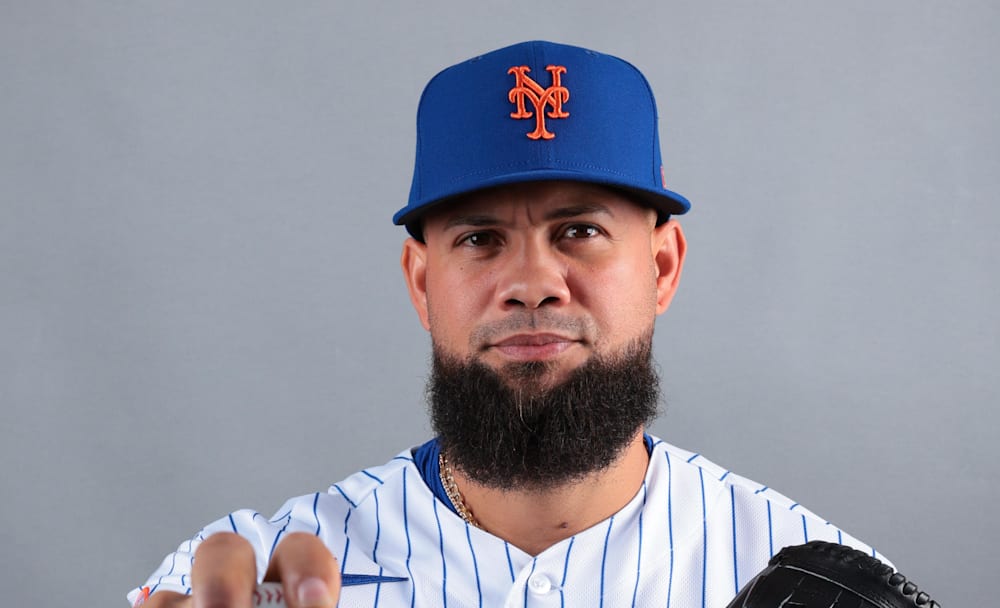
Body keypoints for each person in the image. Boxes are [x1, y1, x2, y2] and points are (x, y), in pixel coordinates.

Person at [130, 40, 884, 608]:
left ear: (662, 268)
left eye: (580, 230)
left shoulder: (810, 574)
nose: (531, 284)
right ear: (423, 283)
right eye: (479, 239)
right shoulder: (265, 574)